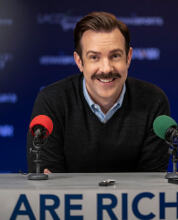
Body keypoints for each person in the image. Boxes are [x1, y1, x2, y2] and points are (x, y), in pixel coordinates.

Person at [27, 11, 170, 173]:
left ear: (128, 58)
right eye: (94, 57)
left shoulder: (153, 101)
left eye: (115, 56)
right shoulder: (52, 101)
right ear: (79, 62)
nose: (106, 69)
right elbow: (47, 186)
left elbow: (152, 186)